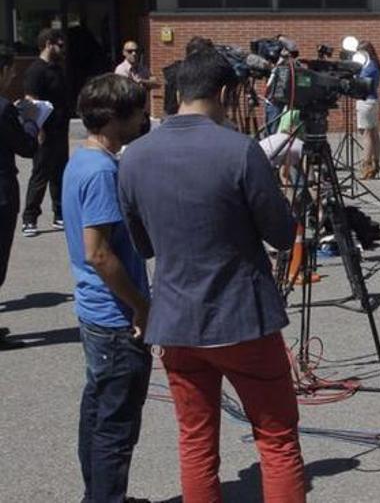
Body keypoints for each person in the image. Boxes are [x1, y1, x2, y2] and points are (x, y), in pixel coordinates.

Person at [118, 50, 306, 502]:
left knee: (196, 441)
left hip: (177, 320)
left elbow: (142, 244)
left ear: (178, 92)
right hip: (243, 318)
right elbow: (281, 235)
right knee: (277, 440)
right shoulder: (239, 150)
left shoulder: (134, 156)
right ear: (224, 93)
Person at [63, 74, 152, 503]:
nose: (144, 118)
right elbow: (98, 253)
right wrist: (139, 306)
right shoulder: (100, 171)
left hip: (96, 312)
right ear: (116, 117)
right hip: (114, 317)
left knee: (98, 412)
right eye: (138, 112)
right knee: (115, 425)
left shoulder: (83, 159)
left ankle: (97, 496)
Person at [0, 45, 39, 350]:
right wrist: (30, 118)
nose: (13, 75)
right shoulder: (4, 109)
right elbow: (26, 147)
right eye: (11, 70)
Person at [22, 27, 72, 237]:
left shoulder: (57, 68)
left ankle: (59, 215)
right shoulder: (36, 70)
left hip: (60, 130)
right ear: (48, 44)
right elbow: (29, 101)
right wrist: (37, 129)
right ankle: (30, 219)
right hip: (45, 131)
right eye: (59, 45)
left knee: (59, 174)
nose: (62, 49)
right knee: (40, 174)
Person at [356, 41, 380, 180]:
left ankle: (366, 166)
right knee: (373, 133)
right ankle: (375, 164)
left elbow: (360, 82)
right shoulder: (375, 64)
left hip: (366, 101)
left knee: (366, 134)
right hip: (373, 100)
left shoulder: (368, 67)